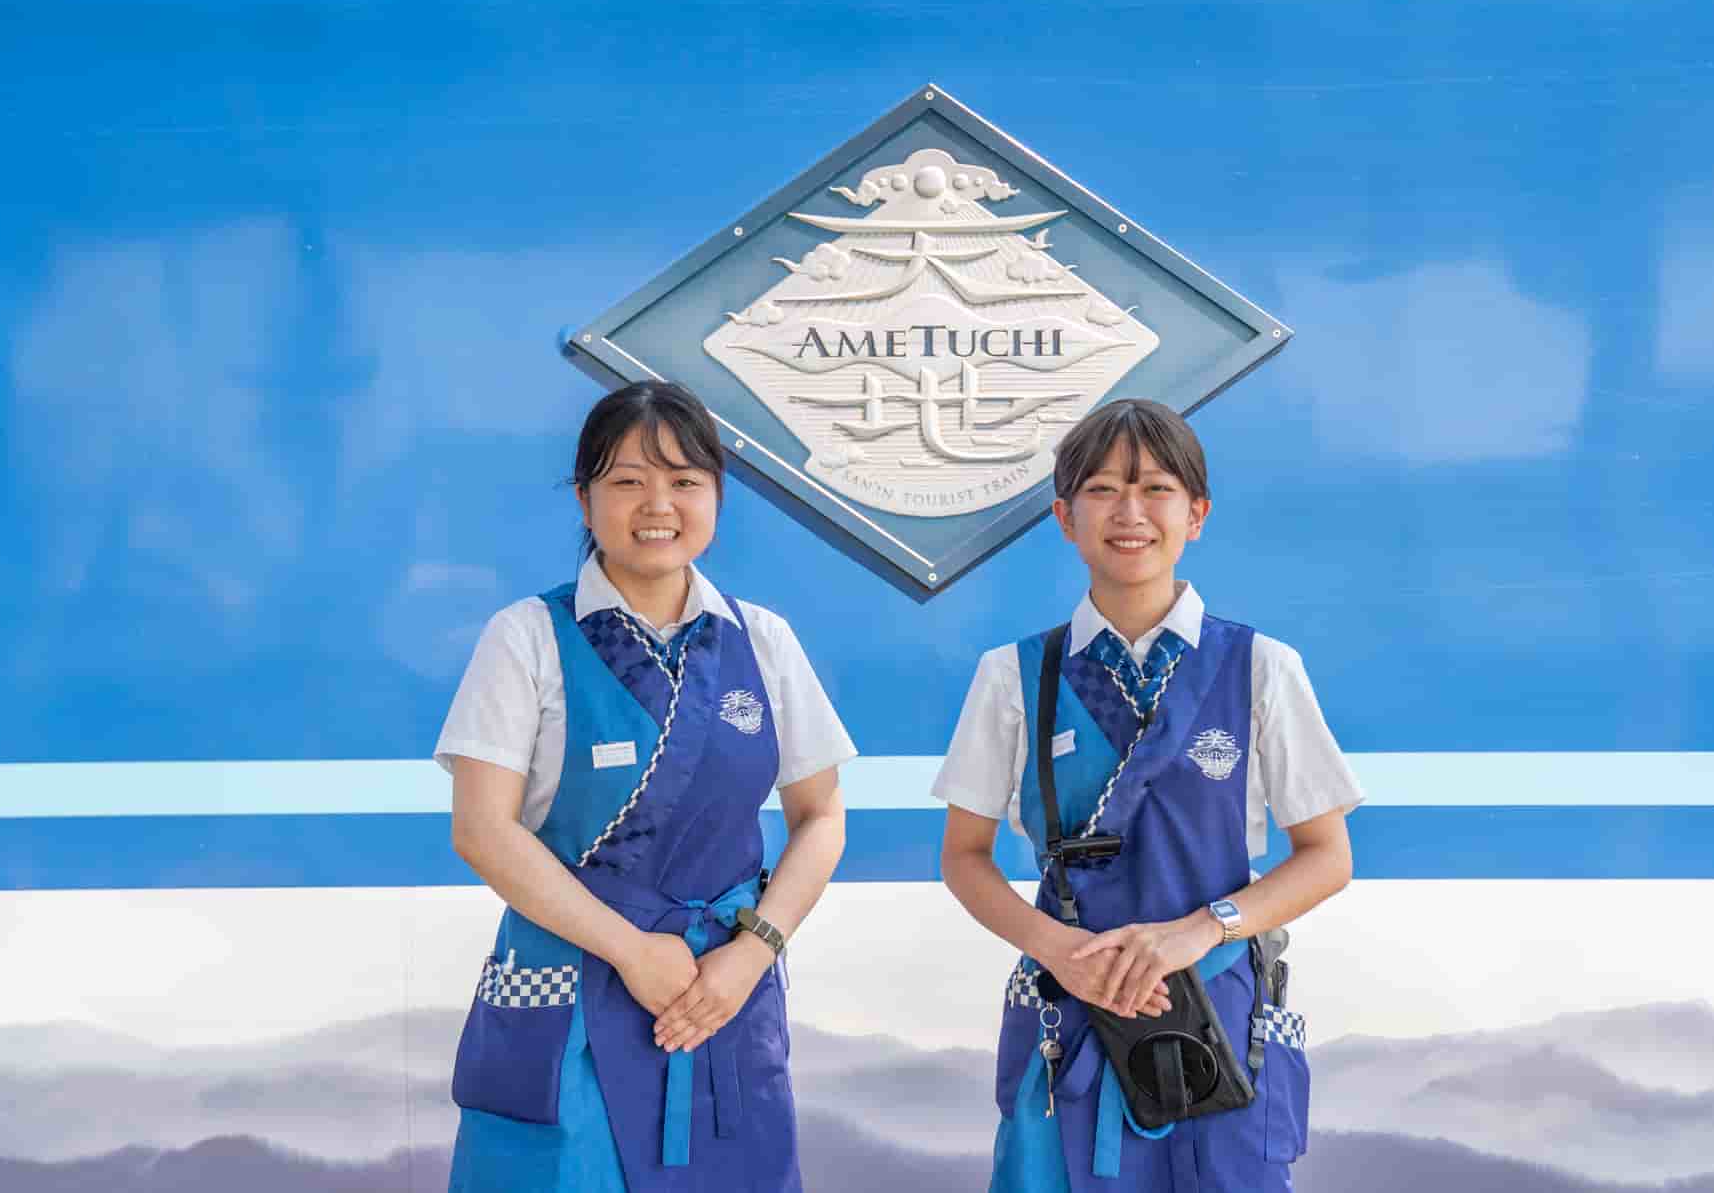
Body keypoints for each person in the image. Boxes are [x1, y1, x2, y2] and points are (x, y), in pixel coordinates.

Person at [934, 398, 1364, 1192]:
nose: (1129, 512)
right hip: (1069, 1012)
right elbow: (964, 857)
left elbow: (1327, 856)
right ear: (1064, 517)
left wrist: (1199, 930)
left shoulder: (1260, 667)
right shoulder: (1015, 675)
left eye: (1156, 488)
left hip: (1218, 1013)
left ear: (1196, 514)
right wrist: (1059, 950)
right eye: (1102, 489)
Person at [436, 379, 854, 1193]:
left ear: (717, 496)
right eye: (628, 480)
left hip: (718, 990)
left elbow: (822, 815)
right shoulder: (527, 637)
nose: (658, 505)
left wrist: (752, 953)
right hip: (567, 988)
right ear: (584, 498)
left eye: (684, 481)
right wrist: (629, 949)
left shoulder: (763, 640)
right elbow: (481, 829)